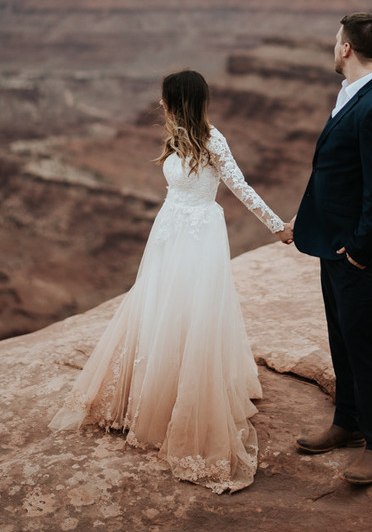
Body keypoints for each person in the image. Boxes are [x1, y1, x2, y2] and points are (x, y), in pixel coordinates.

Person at [49, 69, 293, 493]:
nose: (160, 103)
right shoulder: (176, 137)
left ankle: (183, 399)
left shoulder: (213, 141)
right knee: (159, 305)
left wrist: (278, 227)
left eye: (165, 98)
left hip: (199, 235)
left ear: (179, 101)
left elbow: (240, 187)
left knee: (191, 309)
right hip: (169, 230)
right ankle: (149, 392)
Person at [291, 13, 372, 485]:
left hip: (360, 253)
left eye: (335, 40)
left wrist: (359, 251)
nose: (332, 46)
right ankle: (348, 421)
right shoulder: (353, 94)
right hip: (334, 243)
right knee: (341, 336)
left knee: (362, 343)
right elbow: (337, 174)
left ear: (346, 48)